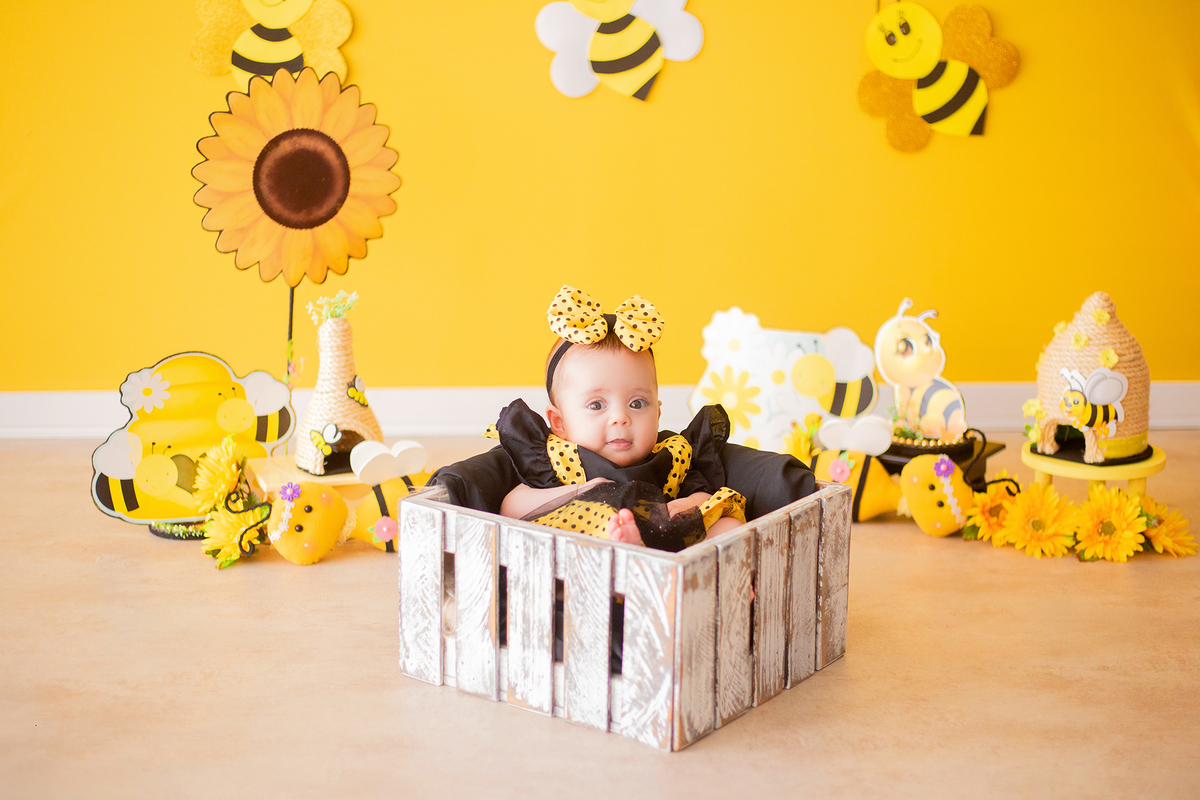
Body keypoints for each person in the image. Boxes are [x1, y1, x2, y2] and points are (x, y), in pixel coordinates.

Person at [493, 285, 747, 551]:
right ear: (560, 423)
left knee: (727, 526)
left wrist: (675, 509)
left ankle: (728, 579)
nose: (620, 418)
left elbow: (704, 495)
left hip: (664, 550)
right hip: (583, 556)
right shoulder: (559, 462)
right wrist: (582, 491)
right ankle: (626, 551)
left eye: (637, 403)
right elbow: (510, 506)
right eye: (596, 405)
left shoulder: (667, 459)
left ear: (658, 413)